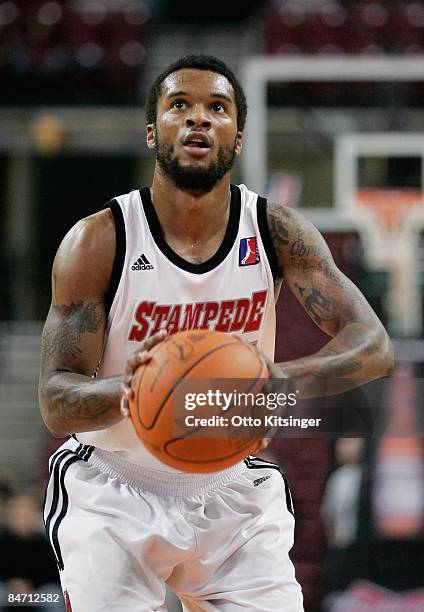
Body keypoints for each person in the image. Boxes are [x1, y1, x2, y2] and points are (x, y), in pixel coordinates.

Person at [38, 54, 393, 611]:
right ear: (153, 133)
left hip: (230, 481)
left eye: (217, 108)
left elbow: (373, 346)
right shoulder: (99, 241)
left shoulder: (276, 231)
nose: (198, 119)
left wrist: (279, 380)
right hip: (114, 485)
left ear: (238, 137)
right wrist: (135, 392)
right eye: (180, 105)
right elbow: (56, 401)